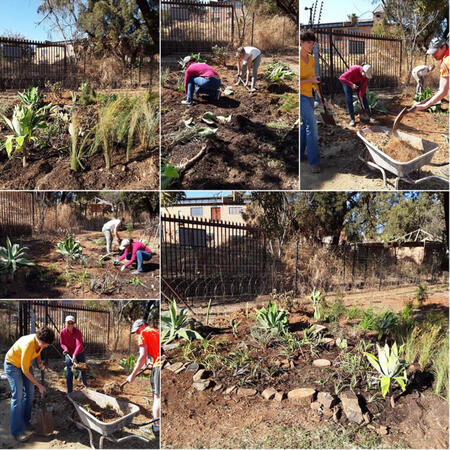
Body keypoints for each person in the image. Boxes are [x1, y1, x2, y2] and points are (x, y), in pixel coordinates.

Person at [4, 325, 55, 442]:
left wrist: (40, 362)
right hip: (12, 365)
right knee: (18, 396)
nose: (46, 346)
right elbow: (25, 371)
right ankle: (17, 431)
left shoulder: (40, 342)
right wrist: (40, 385)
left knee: (30, 393)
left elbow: (38, 352)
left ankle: (26, 422)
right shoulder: (28, 344)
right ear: (39, 339)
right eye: (46, 344)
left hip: (24, 365)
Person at [125, 319, 160, 436]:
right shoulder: (157, 331)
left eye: (137, 330)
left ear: (143, 326)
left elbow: (142, 357)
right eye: (136, 332)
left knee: (157, 397)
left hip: (159, 366)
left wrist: (133, 375)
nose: (137, 333)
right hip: (160, 363)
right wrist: (152, 361)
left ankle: (157, 426)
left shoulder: (143, 333)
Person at [300, 29, 322, 173]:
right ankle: (314, 162)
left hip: (309, 95)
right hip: (300, 95)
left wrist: (320, 96)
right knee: (312, 125)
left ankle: (300, 154)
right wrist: (310, 80)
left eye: (312, 44)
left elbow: (314, 80)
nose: (311, 46)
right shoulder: (298, 58)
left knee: (305, 125)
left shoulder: (312, 59)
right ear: (301, 42)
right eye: (308, 43)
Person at [410, 37, 449, 112]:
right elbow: (416, 73)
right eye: (432, 53)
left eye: (435, 52)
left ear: (444, 47)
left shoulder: (446, 61)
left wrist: (425, 105)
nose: (433, 55)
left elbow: (443, 91)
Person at [60, 315, 88, 393]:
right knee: (69, 371)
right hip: (69, 353)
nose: (70, 325)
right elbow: (62, 343)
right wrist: (65, 349)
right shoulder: (62, 332)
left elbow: (79, 344)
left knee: (83, 369)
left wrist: (75, 355)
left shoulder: (77, 332)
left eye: (72, 323)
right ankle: (70, 392)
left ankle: (85, 386)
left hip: (79, 352)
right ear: (65, 323)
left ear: (74, 324)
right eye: (68, 323)